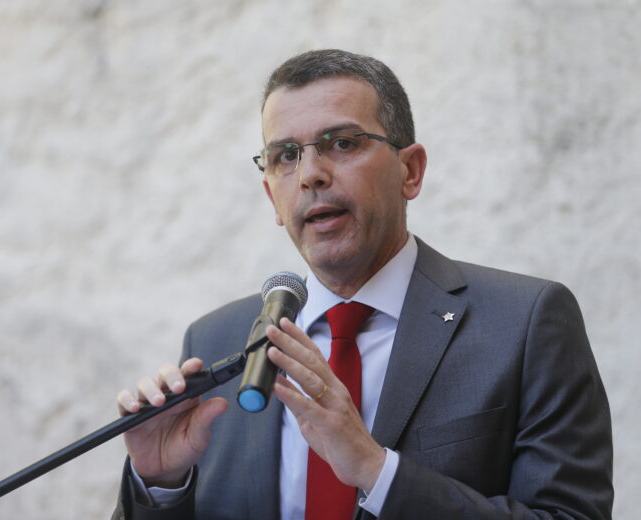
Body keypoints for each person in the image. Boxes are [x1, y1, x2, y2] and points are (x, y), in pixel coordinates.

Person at [112, 49, 613, 520]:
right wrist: (160, 484)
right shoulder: (217, 342)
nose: (310, 174)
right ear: (271, 196)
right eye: (285, 155)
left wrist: (377, 471)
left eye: (343, 143)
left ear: (410, 171)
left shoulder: (524, 323)